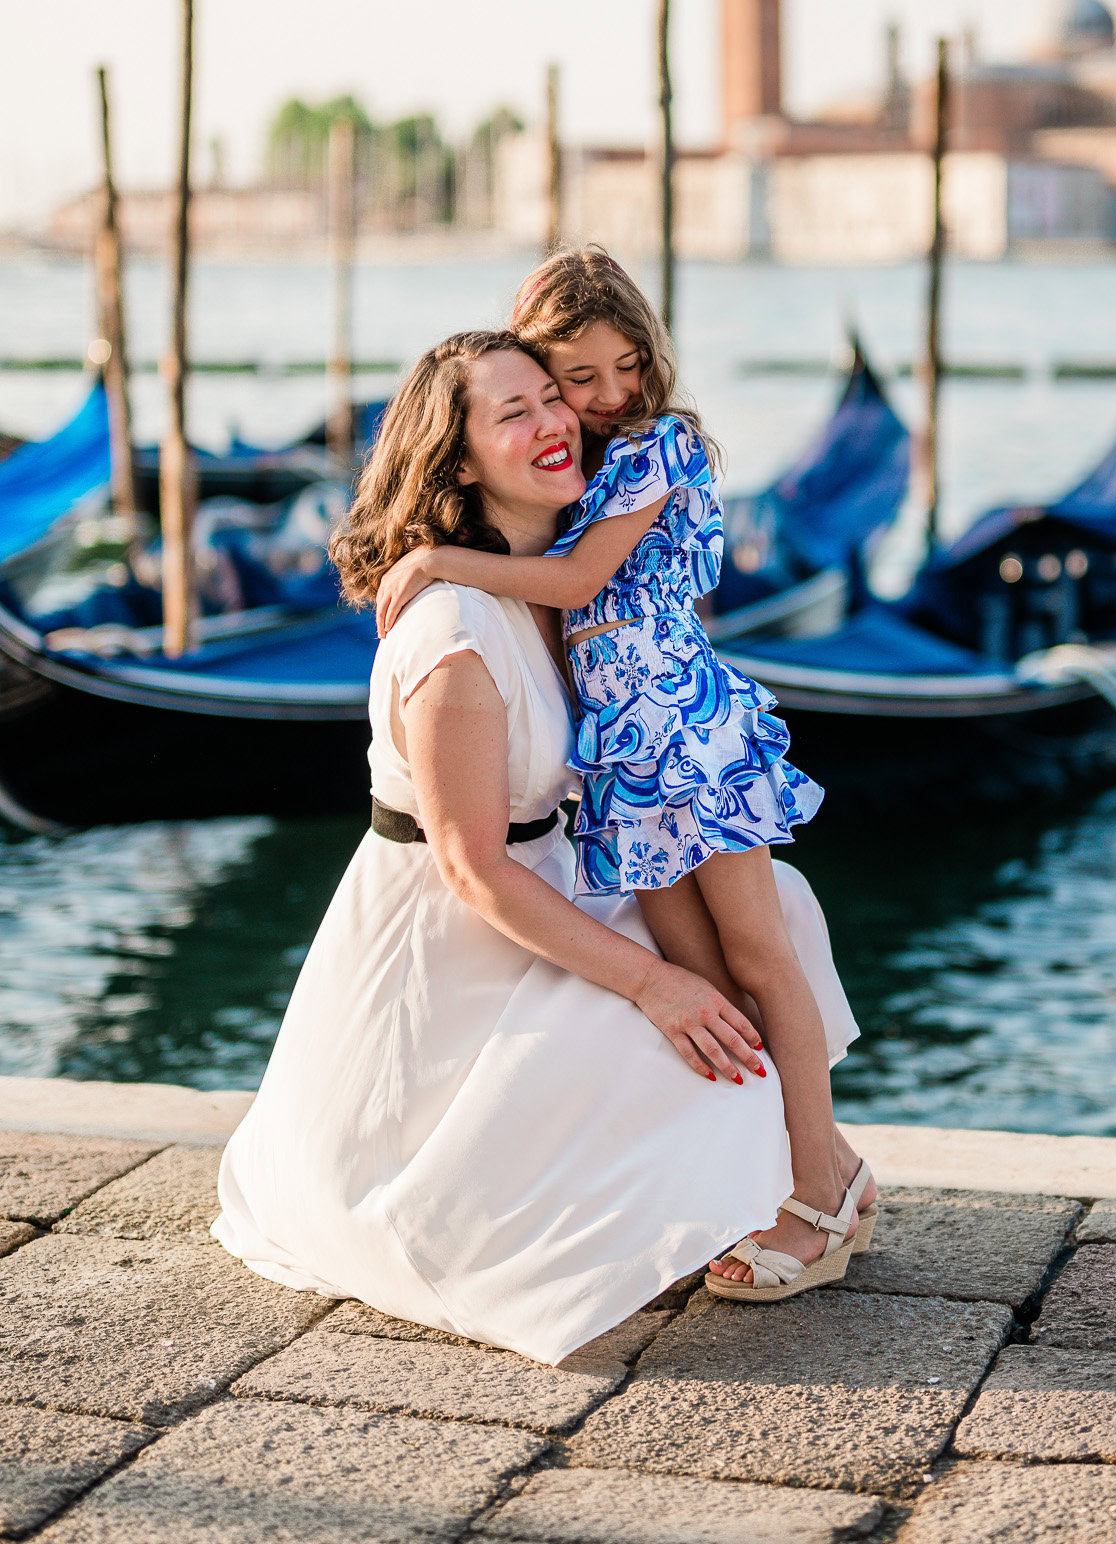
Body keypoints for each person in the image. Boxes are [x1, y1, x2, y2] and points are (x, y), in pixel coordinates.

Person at [213, 329, 858, 1363]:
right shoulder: (454, 630)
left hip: (546, 878)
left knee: (770, 913)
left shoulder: (556, 583)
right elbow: (470, 868)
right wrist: (654, 985)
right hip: (449, 942)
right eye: (515, 413)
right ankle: (791, 1180)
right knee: (685, 1025)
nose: (559, 420)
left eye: (550, 398)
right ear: (460, 458)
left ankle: (816, 1169)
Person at [373, 252, 876, 1303]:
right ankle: (766, 1175)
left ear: (651, 355)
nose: (604, 396)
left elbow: (574, 582)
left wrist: (432, 560)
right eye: (572, 381)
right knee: (698, 983)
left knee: (758, 957)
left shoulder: (658, 447)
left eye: (623, 368)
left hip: (680, 735)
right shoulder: (582, 468)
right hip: (619, 754)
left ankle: (820, 1190)